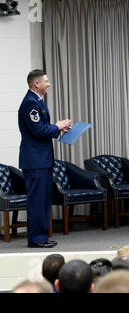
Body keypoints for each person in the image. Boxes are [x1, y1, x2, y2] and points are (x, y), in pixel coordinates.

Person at [18, 69, 71, 248]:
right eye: (46, 81)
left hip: (42, 159)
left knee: (43, 200)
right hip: (35, 161)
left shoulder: (37, 101)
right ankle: (36, 239)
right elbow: (38, 130)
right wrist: (57, 126)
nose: (48, 84)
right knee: (37, 201)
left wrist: (57, 129)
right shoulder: (29, 104)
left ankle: (41, 237)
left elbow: (42, 128)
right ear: (36, 84)